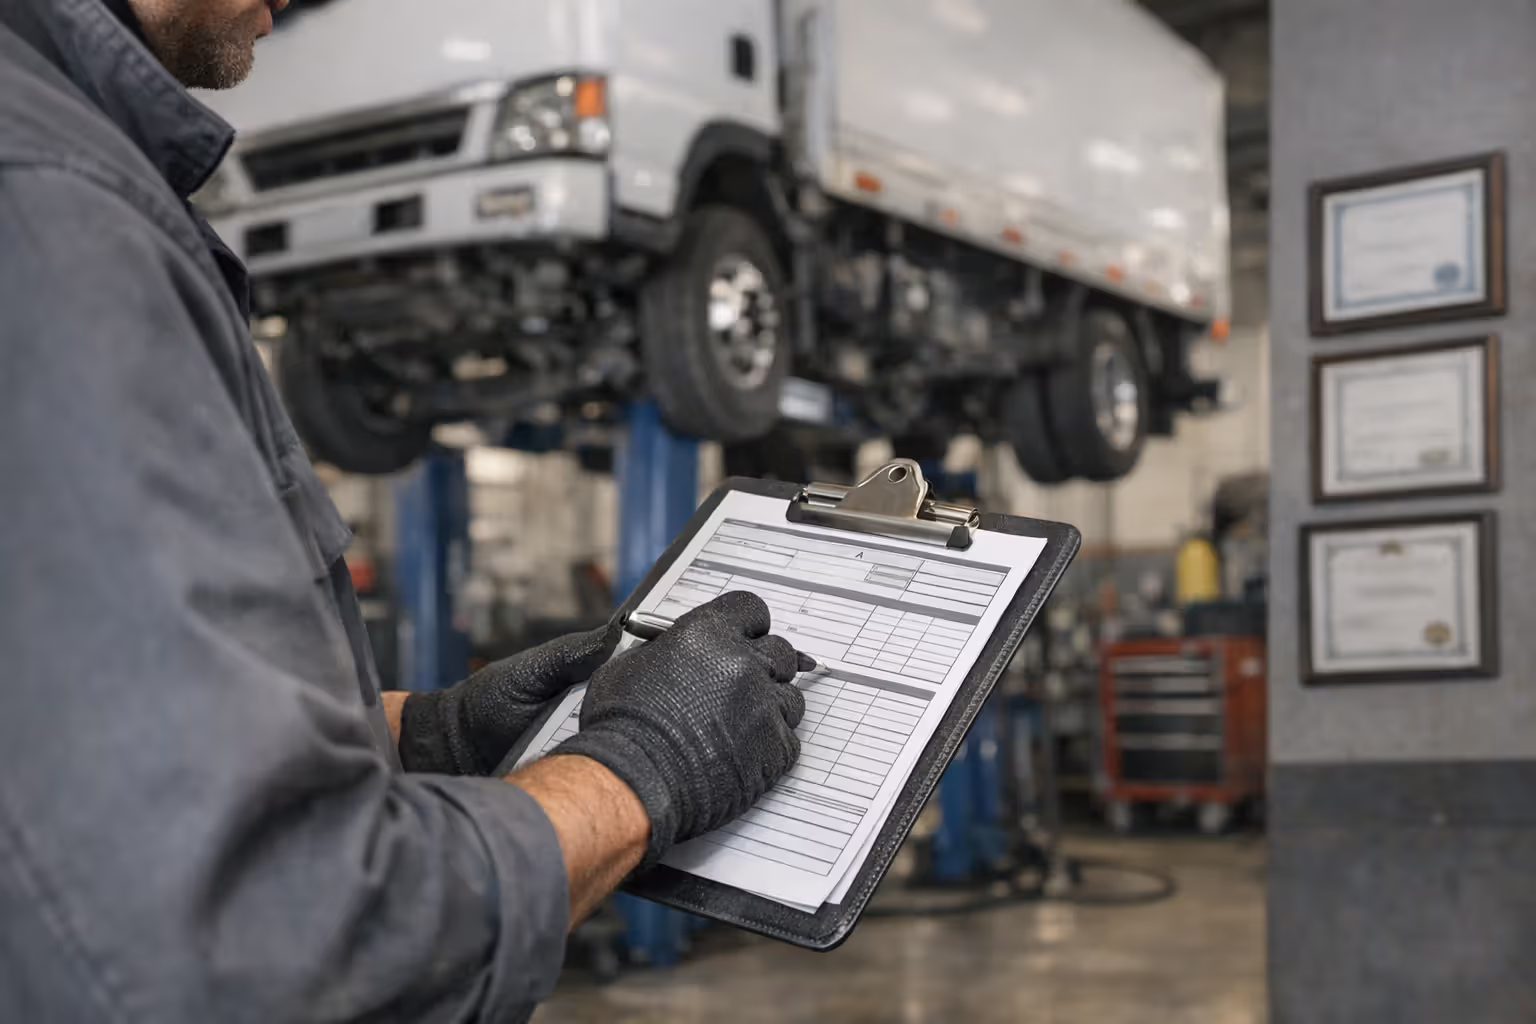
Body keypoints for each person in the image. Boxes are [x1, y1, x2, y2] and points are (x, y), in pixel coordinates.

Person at [0, 0, 807, 1019]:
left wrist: (431, 734)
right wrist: (642, 769)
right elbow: (275, 938)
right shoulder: (51, 206)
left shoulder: (62, 161)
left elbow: (71, 728)